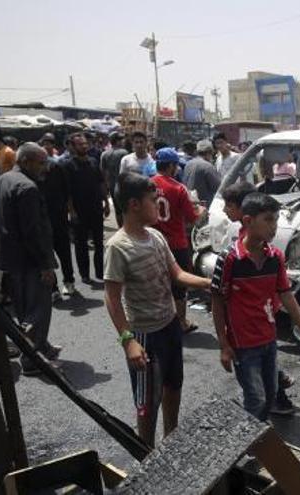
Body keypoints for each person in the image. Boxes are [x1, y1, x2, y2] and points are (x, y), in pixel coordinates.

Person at [103, 172, 211, 448]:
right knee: (147, 403)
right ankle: (146, 452)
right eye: (153, 200)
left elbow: (176, 274)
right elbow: (112, 298)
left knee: (174, 386)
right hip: (144, 335)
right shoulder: (118, 246)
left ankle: (171, 442)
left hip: (170, 325)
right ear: (134, 205)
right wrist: (128, 342)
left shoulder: (156, 236)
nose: (157, 206)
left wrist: (209, 283)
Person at [211, 192, 300, 420]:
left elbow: (286, 296)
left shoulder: (275, 257)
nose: (274, 227)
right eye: (269, 220)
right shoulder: (230, 258)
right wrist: (224, 345)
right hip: (243, 344)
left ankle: (258, 439)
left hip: (268, 340)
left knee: (270, 394)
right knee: (256, 398)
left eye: (276, 220)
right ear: (248, 221)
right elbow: (217, 302)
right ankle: (250, 446)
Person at [0, 142, 60, 375]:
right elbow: (32, 232)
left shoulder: (4, 179)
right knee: (37, 308)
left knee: (23, 307)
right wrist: (45, 265)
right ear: (26, 162)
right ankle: (33, 359)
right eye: (41, 163)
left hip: (12, 259)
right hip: (30, 260)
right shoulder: (26, 187)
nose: (45, 168)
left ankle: (42, 346)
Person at [152, 148, 205, 333]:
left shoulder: (147, 184)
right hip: (176, 243)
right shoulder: (178, 188)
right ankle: (181, 322)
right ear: (172, 166)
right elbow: (192, 218)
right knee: (180, 285)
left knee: (158, 282)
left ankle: (160, 319)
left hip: (153, 242)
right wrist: (201, 210)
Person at [62, 133, 110, 284]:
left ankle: (100, 272)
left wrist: (106, 203)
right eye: (80, 144)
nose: (84, 146)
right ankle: (84, 274)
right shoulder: (68, 165)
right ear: (73, 147)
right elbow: (67, 191)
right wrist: (72, 211)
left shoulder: (93, 162)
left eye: (85, 144)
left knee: (98, 243)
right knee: (81, 244)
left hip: (96, 208)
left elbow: (101, 183)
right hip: (79, 211)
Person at [39, 140, 76, 297]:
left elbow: (68, 191)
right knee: (47, 254)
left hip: (59, 217)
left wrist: (71, 211)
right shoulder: (32, 174)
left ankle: (69, 282)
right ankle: (53, 288)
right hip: (42, 219)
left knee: (64, 252)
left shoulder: (57, 168)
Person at [101, 132, 129, 226]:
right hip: (124, 186)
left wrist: (105, 188)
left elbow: (103, 173)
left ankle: (120, 228)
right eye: (121, 140)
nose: (123, 141)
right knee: (126, 210)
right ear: (117, 141)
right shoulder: (124, 153)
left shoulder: (104, 154)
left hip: (112, 186)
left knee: (118, 210)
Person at [183, 139, 222, 204]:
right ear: (210, 152)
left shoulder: (188, 164)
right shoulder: (208, 166)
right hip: (202, 206)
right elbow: (218, 187)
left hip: (188, 203)